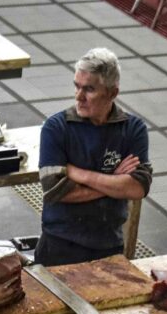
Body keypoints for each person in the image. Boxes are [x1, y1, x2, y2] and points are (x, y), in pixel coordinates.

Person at [36, 48, 153, 267]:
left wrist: (80, 174)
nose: (79, 96)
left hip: (109, 246)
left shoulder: (133, 129)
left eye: (89, 89)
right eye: (77, 86)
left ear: (112, 93)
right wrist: (114, 181)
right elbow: (55, 190)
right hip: (58, 245)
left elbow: (138, 188)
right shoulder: (56, 127)